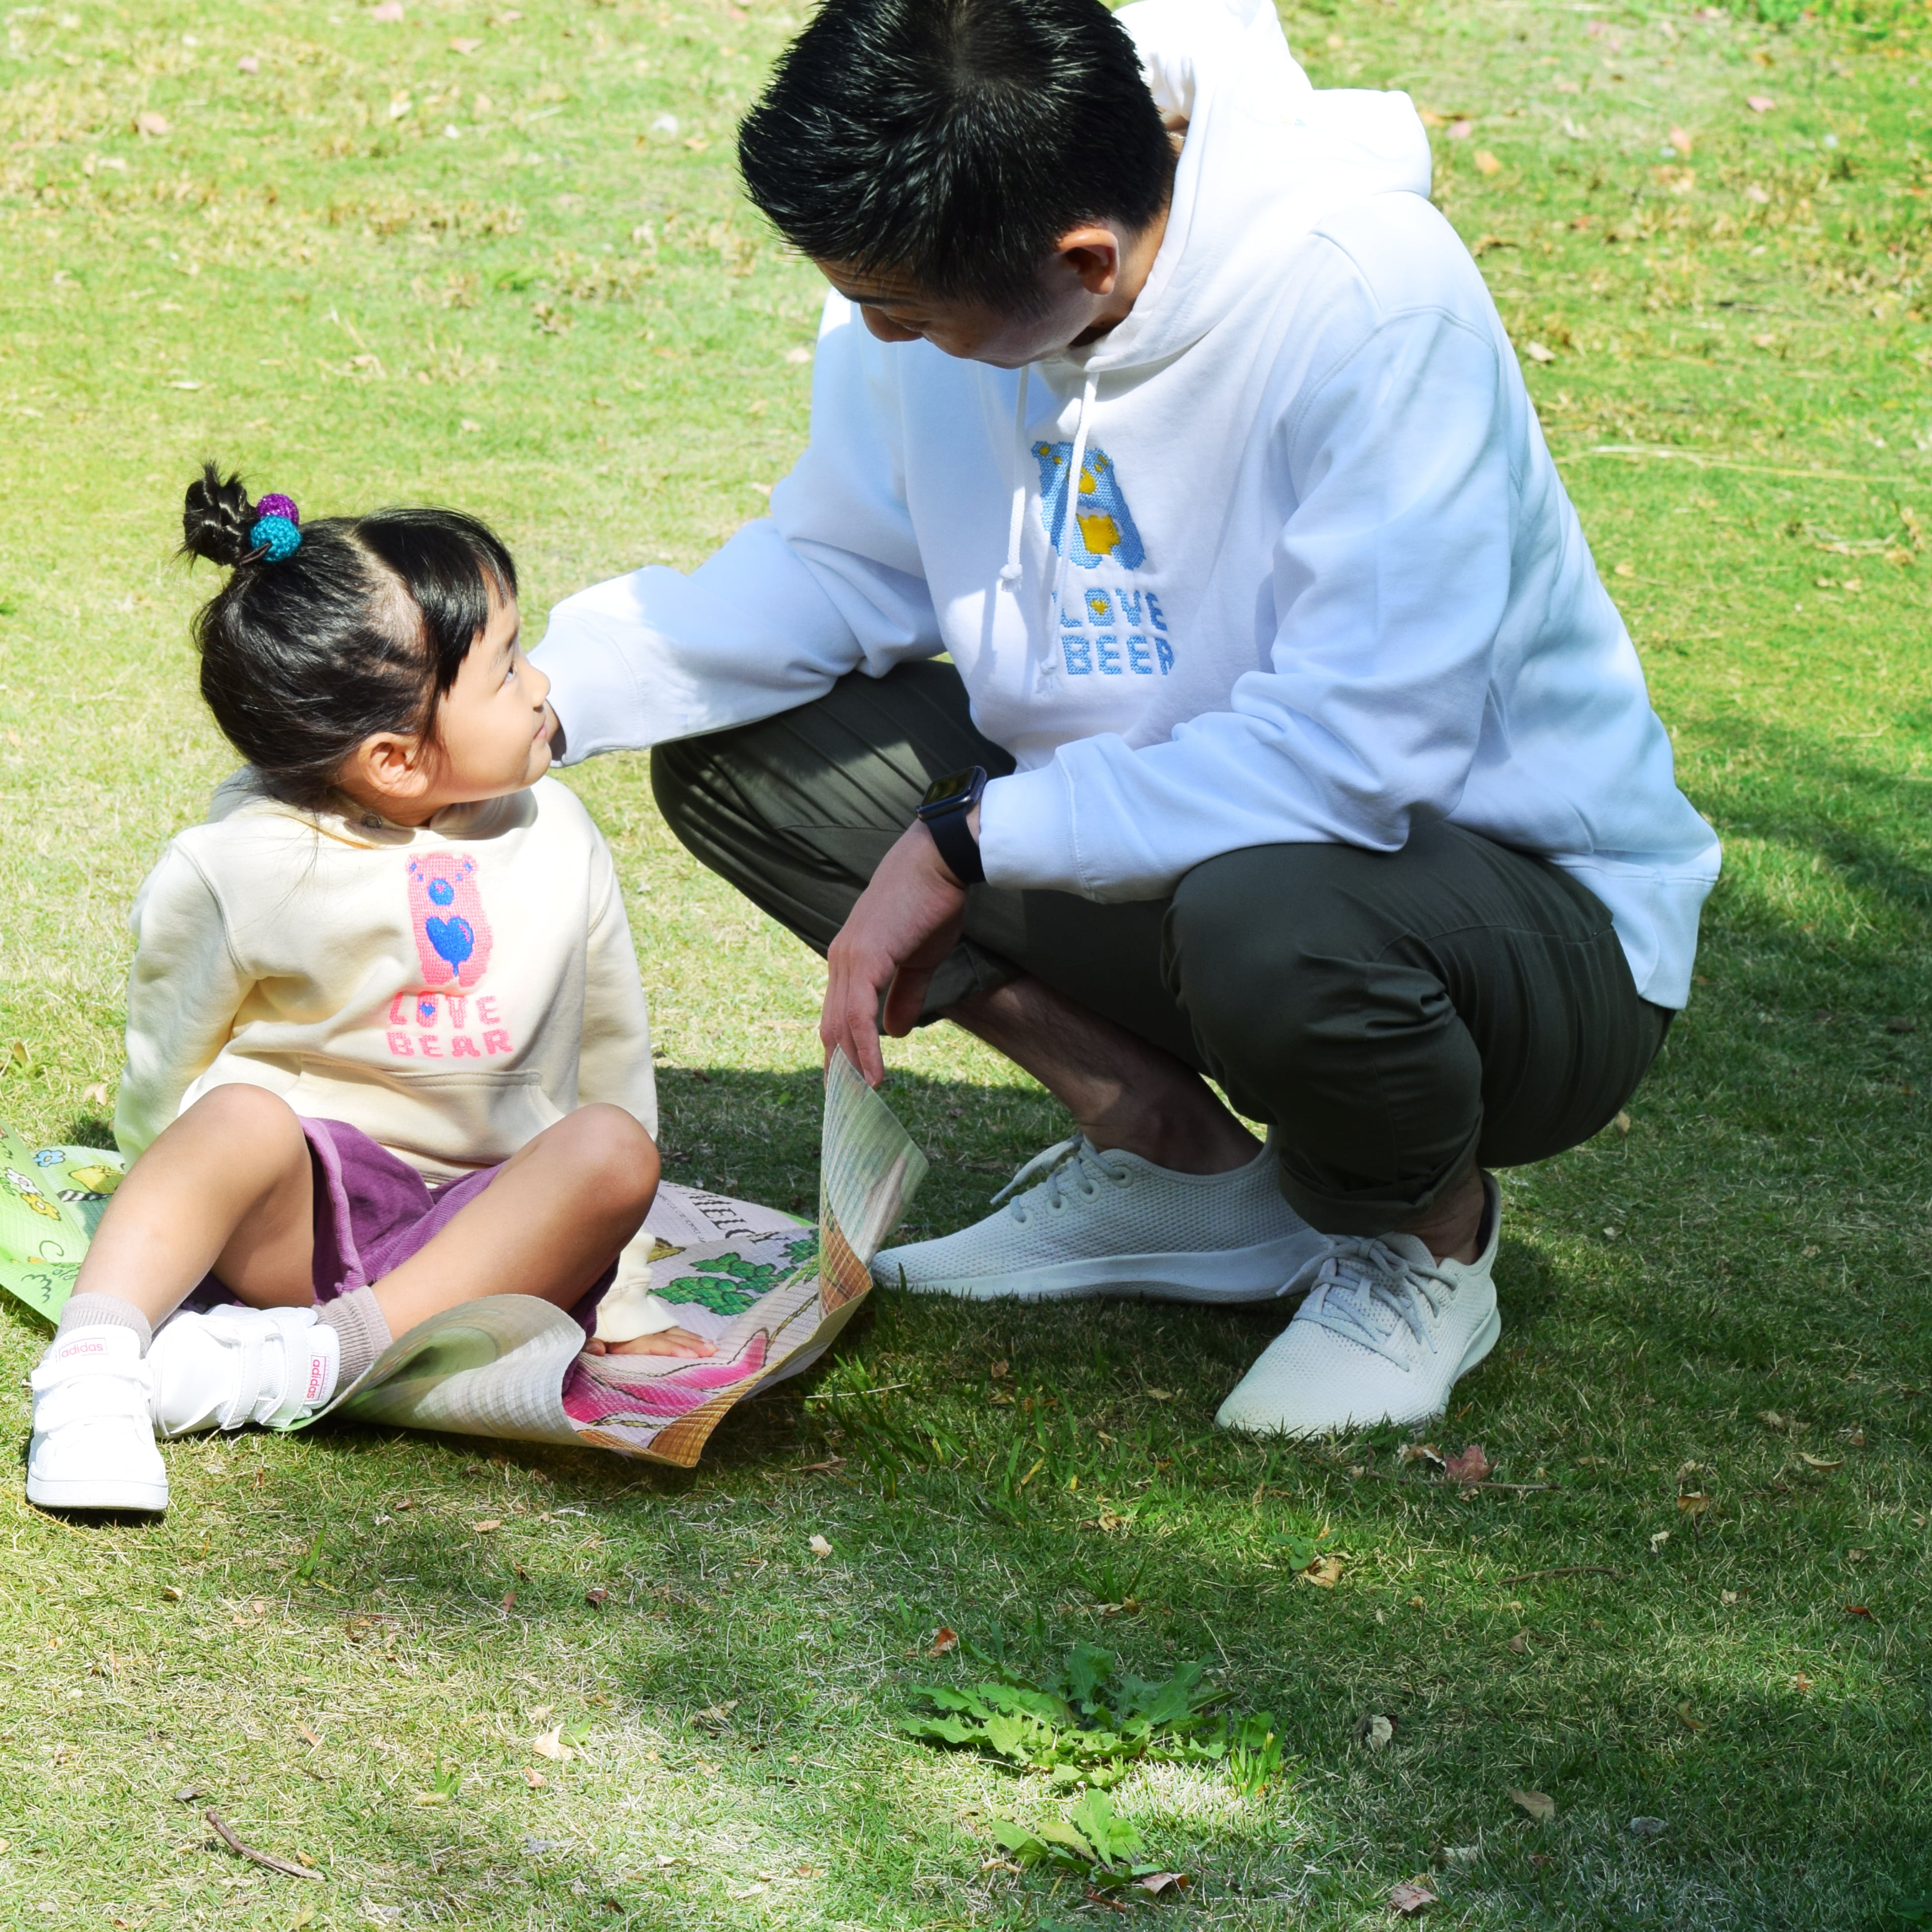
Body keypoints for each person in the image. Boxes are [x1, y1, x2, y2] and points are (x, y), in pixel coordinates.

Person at [529, 0, 1720, 1438]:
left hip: (1513, 931)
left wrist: (971, 835)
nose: (879, 332)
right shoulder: (948, 280)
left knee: (1275, 916)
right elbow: (848, 560)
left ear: (1081, 262)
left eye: (908, 311)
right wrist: (543, 701)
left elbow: (1362, 757)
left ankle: (1420, 1241)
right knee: (748, 761)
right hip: (1184, 858)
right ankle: (1185, 1165)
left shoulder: (1367, 297)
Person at [25, 468, 709, 1517]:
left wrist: (617, 1298)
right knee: (234, 1116)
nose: (540, 686)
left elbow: (611, 1051)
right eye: (507, 667)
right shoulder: (240, 862)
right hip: (298, 1226)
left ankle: (307, 1362)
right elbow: (166, 1068)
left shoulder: (558, 836)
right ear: (393, 759)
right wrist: (179, 1239)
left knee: (614, 1147)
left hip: (489, 1234)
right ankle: (95, 1368)